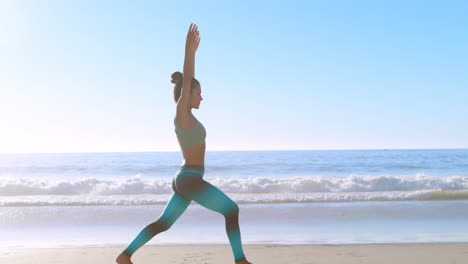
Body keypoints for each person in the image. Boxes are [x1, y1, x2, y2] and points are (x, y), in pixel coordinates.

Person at [116, 23, 252, 264]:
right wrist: (190, 52)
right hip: (189, 178)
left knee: (163, 224)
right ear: (186, 94)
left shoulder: (190, 118)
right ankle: (240, 261)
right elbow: (187, 77)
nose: (201, 97)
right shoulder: (182, 114)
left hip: (185, 178)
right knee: (232, 211)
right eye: (198, 92)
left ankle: (125, 256)